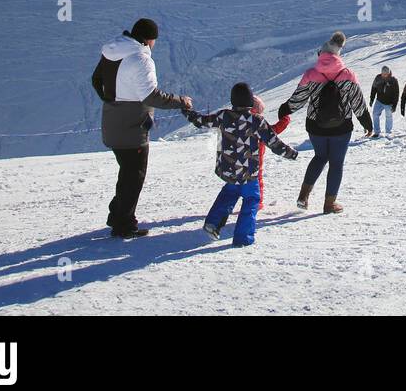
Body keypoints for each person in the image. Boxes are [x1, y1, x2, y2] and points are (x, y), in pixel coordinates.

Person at [91, 18, 192, 239]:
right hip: (132, 126)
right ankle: (124, 225)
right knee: (134, 176)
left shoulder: (111, 51)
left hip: (111, 120)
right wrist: (181, 101)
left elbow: (96, 79)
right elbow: (151, 96)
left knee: (127, 172)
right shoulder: (141, 59)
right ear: (148, 39)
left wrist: (112, 100)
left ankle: (117, 215)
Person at [183, 82, 299, 245]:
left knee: (229, 192)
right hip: (249, 172)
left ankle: (213, 223)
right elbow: (273, 142)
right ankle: (243, 238)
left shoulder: (224, 116)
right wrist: (290, 153)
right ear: (250, 101)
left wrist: (186, 110)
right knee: (251, 200)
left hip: (228, 169)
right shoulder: (256, 120)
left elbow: (201, 121)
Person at [278, 32, 373, 215]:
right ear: (338, 55)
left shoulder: (311, 74)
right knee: (336, 163)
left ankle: (303, 197)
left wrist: (285, 110)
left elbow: (298, 99)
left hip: (316, 126)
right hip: (341, 127)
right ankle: (329, 204)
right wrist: (367, 123)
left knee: (320, 157)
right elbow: (357, 103)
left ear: (320, 54)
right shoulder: (347, 74)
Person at [251, 95, 290, 210]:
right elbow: (275, 129)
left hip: (239, 159)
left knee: (237, 183)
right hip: (256, 160)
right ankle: (257, 202)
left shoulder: (239, 120)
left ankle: (230, 202)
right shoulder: (259, 123)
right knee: (257, 181)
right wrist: (285, 118)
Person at [368, 66, 400, 138]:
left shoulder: (393, 80)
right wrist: (371, 99)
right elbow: (374, 89)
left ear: (388, 73)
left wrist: (394, 105)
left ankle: (388, 132)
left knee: (388, 116)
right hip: (379, 100)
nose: (384, 75)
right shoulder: (378, 78)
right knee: (375, 114)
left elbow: (396, 94)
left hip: (389, 102)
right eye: (383, 74)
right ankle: (377, 132)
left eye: (386, 74)